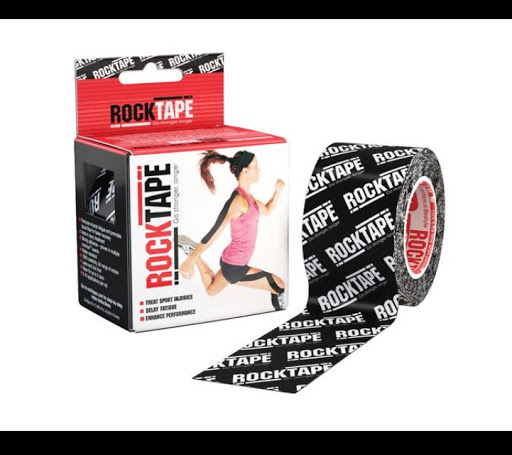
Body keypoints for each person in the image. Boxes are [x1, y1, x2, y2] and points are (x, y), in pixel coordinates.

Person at [178, 150, 286, 310]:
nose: (259, 169)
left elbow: (267, 210)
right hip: (235, 266)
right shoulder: (237, 201)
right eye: (256, 166)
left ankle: (196, 255)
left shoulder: (249, 198)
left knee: (211, 290)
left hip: (231, 259)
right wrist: (189, 261)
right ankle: (280, 311)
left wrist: (277, 191)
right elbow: (215, 232)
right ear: (245, 170)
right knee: (279, 285)